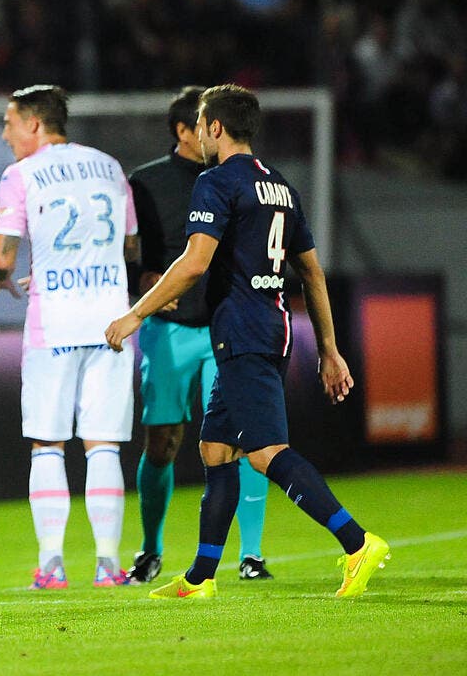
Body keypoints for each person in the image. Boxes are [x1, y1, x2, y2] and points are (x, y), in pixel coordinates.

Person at [105, 84, 390, 599]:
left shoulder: (216, 182)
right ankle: (199, 578)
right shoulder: (279, 186)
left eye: (201, 122)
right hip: (270, 324)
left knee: (265, 454)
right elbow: (312, 273)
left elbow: (194, 263)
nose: (200, 133)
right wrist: (327, 348)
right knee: (216, 450)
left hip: (242, 330)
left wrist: (133, 315)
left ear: (214, 127)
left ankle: (356, 541)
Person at [0, 85, 138, 589]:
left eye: (9, 123)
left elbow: (3, 256)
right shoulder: (110, 166)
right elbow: (130, 244)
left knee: (48, 442)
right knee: (103, 443)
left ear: (35, 125)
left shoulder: (19, 175)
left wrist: (1, 277)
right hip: (112, 320)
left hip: (54, 325)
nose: (5, 134)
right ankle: (109, 564)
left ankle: (51, 565)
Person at [124, 87, 273, 584]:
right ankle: (150, 550)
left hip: (222, 328)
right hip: (168, 330)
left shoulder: (234, 180)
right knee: (162, 440)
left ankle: (250, 554)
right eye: (203, 123)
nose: (212, 131)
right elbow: (137, 257)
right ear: (183, 131)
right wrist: (143, 289)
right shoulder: (145, 184)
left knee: (245, 439)